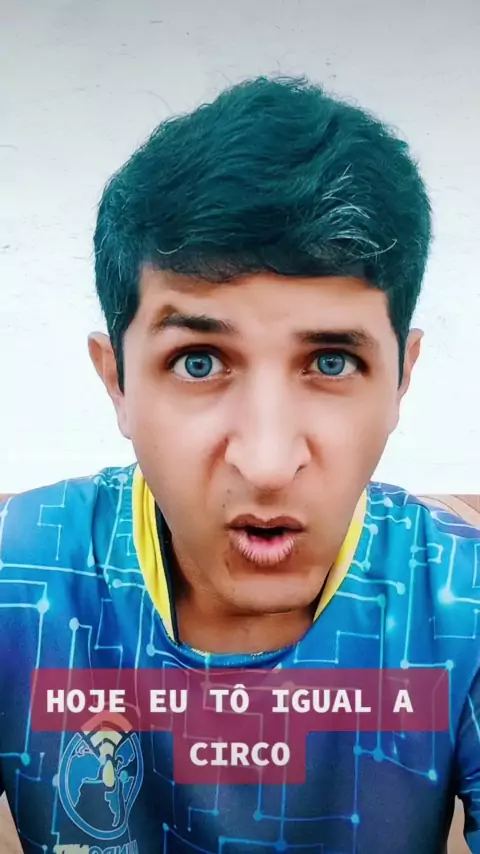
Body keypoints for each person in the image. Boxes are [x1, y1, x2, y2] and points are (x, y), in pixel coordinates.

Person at [0, 75, 478, 854]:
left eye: (331, 361)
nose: (266, 463)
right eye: (199, 362)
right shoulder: (22, 575)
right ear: (117, 382)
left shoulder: (461, 603)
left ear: (402, 379)